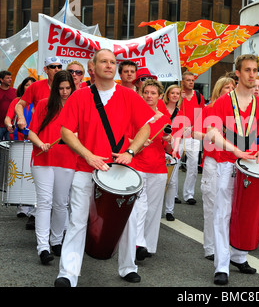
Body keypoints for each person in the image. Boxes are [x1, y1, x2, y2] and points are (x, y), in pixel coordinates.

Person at [54, 49, 154, 287]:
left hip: (120, 171)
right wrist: (88, 156)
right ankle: (68, 273)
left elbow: (146, 128)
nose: (109, 65)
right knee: (78, 220)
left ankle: (128, 266)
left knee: (128, 221)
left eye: (112, 62)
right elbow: (66, 132)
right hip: (85, 168)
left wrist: (131, 152)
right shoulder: (79, 96)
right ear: (93, 67)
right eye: (104, 61)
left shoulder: (129, 96)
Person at [206, 54, 259, 285]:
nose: (251, 74)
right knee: (222, 213)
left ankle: (239, 256)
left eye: (254, 70)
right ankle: (221, 266)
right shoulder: (224, 101)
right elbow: (211, 133)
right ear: (237, 73)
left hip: (251, 164)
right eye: (247, 70)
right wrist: (234, 150)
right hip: (227, 162)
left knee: (246, 212)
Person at [27, 70, 77, 265]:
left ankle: (56, 241)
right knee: (45, 202)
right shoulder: (43, 105)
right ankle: (43, 247)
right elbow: (32, 132)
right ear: (55, 88)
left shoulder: (77, 107)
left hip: (67, 161)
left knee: (60, 203)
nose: (65, 92)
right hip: (43, 160)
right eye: (61, 88)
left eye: (68, 88)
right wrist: (40, 144)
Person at [131, 78, 173, 261]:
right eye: (146, 92)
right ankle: (136, 243)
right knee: (140, 207)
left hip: (158, 166)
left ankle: (146, 245)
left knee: (153, 209)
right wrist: (137, 143)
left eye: (153, 93)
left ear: (160, 96)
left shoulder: (164, 118)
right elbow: (125, 138)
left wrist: (169, 139)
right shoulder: (134, 114)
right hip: (138, 164)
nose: (149, 96)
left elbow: (168, 146)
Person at [200, 76, 235, 261]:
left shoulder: (238, 111)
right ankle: (210, 247)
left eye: (232, 87)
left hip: (230, 161)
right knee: (212, 205)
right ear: (218, 91)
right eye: (226, 88)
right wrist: (211, 135)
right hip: (213, 160)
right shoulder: (209, 109)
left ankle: (225, 245)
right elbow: (198, 132)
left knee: (227, 207)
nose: (230, 90)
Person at [4, 76, 36, 220]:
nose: (28, 87)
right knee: (20, 173)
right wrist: (9, 125)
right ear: (22, 87)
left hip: (35, 142)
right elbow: (8, 117)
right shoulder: (16, 102)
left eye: (32, 85)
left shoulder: (39, 102)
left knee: (32, 173)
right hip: (19, 141)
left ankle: (32, 205)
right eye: (26, 85)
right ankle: (21, 205)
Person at [178, 71, 205, 205]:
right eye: (187, 80)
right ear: (182, 81)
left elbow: (201, 116)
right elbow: (171, 112)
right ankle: (174, 194)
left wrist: (193, 128)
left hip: (193, 135)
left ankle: (189, 194)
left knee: (193, 165)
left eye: (192, 80)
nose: (190, 82)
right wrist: (179, 99)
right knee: (175, 164)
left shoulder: (199, 96)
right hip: (178, 135)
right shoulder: (177, 95)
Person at [16, 57, 62, 130]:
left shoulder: (67, 87)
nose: (56, 69)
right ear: (46, 70)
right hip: (39, 131)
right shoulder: (36, 86)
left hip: (60, 133)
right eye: (52, 67)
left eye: (59, 67)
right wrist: (21, 118)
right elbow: (20, 104)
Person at [162, 84, 183, 221]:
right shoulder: (160, 109)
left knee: (172, 182)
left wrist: (174, 149)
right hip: (157, 147)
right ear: (168, 95)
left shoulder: (180, 113)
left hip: (172, 148)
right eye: (172, 93)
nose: (175, 95)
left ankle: (169, 210)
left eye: (177, 93)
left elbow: (179, 134)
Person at [0, 71, 17, 140]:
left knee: (9, 148)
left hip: (11, 125)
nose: (10, 79)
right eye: (7, 78)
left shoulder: (15, 92)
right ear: (1, 80)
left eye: (10, 78)